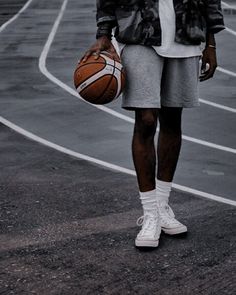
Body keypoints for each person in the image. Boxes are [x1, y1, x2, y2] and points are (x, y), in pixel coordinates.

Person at [82, 0, 225, 248]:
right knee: (146, 120)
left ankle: (161, 207)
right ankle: (149, 214)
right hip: (139, 34)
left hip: (185, 36)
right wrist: (104, 32)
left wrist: (210, 43)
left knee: (172, 121)